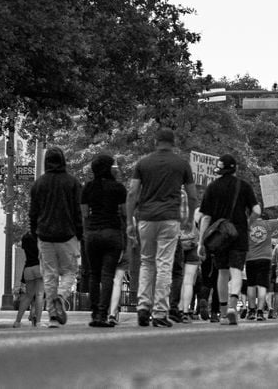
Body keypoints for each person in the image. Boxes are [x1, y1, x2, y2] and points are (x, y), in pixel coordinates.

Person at [125, 129, 198, 328]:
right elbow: (192, 195)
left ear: (156, 142)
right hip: (170, 219)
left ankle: (143, 307)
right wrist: (190, 218)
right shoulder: (181, 164)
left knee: (147, 262)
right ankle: (159, 311)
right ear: (173, 143)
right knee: (164, 264)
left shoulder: (143, 163)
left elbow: (132, 193)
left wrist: (130, 221)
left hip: (145, 218)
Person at [197, 154, 261, 326]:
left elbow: (205, 218)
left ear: (220, 169)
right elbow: (257, 210)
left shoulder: (212, 187)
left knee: (222, 273)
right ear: (235, 169)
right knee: (236, 272)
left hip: (219, 238)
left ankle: (223, 312)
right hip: (238, 234)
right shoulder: (244, 186)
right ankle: (233, 307)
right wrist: (248, 222)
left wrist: (201, 242)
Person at [29, 146, 84, 328]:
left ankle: (53, 316)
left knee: (49, 276)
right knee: (70, 271)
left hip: (44, 235)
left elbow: (33, 212)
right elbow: (78, 211)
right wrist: (80, 233)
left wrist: (34, 231)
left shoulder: (39, 184)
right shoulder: (72, 183)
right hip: (67, 234)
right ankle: (61, 296)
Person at [81, 154, 127, 328]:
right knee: (108, 275)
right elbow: (124, 213)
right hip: (112, 233)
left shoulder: (88, 188)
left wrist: (86, 233)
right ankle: (102, 313)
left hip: (92, 234)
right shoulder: (118, 188)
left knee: (94, 274)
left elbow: (84, 214)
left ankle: (94, 313)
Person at [246, 201, 278, 321]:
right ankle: (260, 312)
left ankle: (251, 311)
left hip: (250, 258)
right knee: (263, 284)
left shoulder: (247, 224)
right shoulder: (268, 224)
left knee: (251, 285)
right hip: (265, 258)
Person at [12, 231, 43, 328]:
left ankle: (17, 322)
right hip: (39, 267)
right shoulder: (41, 236)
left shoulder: (25, 237)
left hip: (28, 268)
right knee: (39, 295)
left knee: (28, 296)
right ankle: (38, 322)